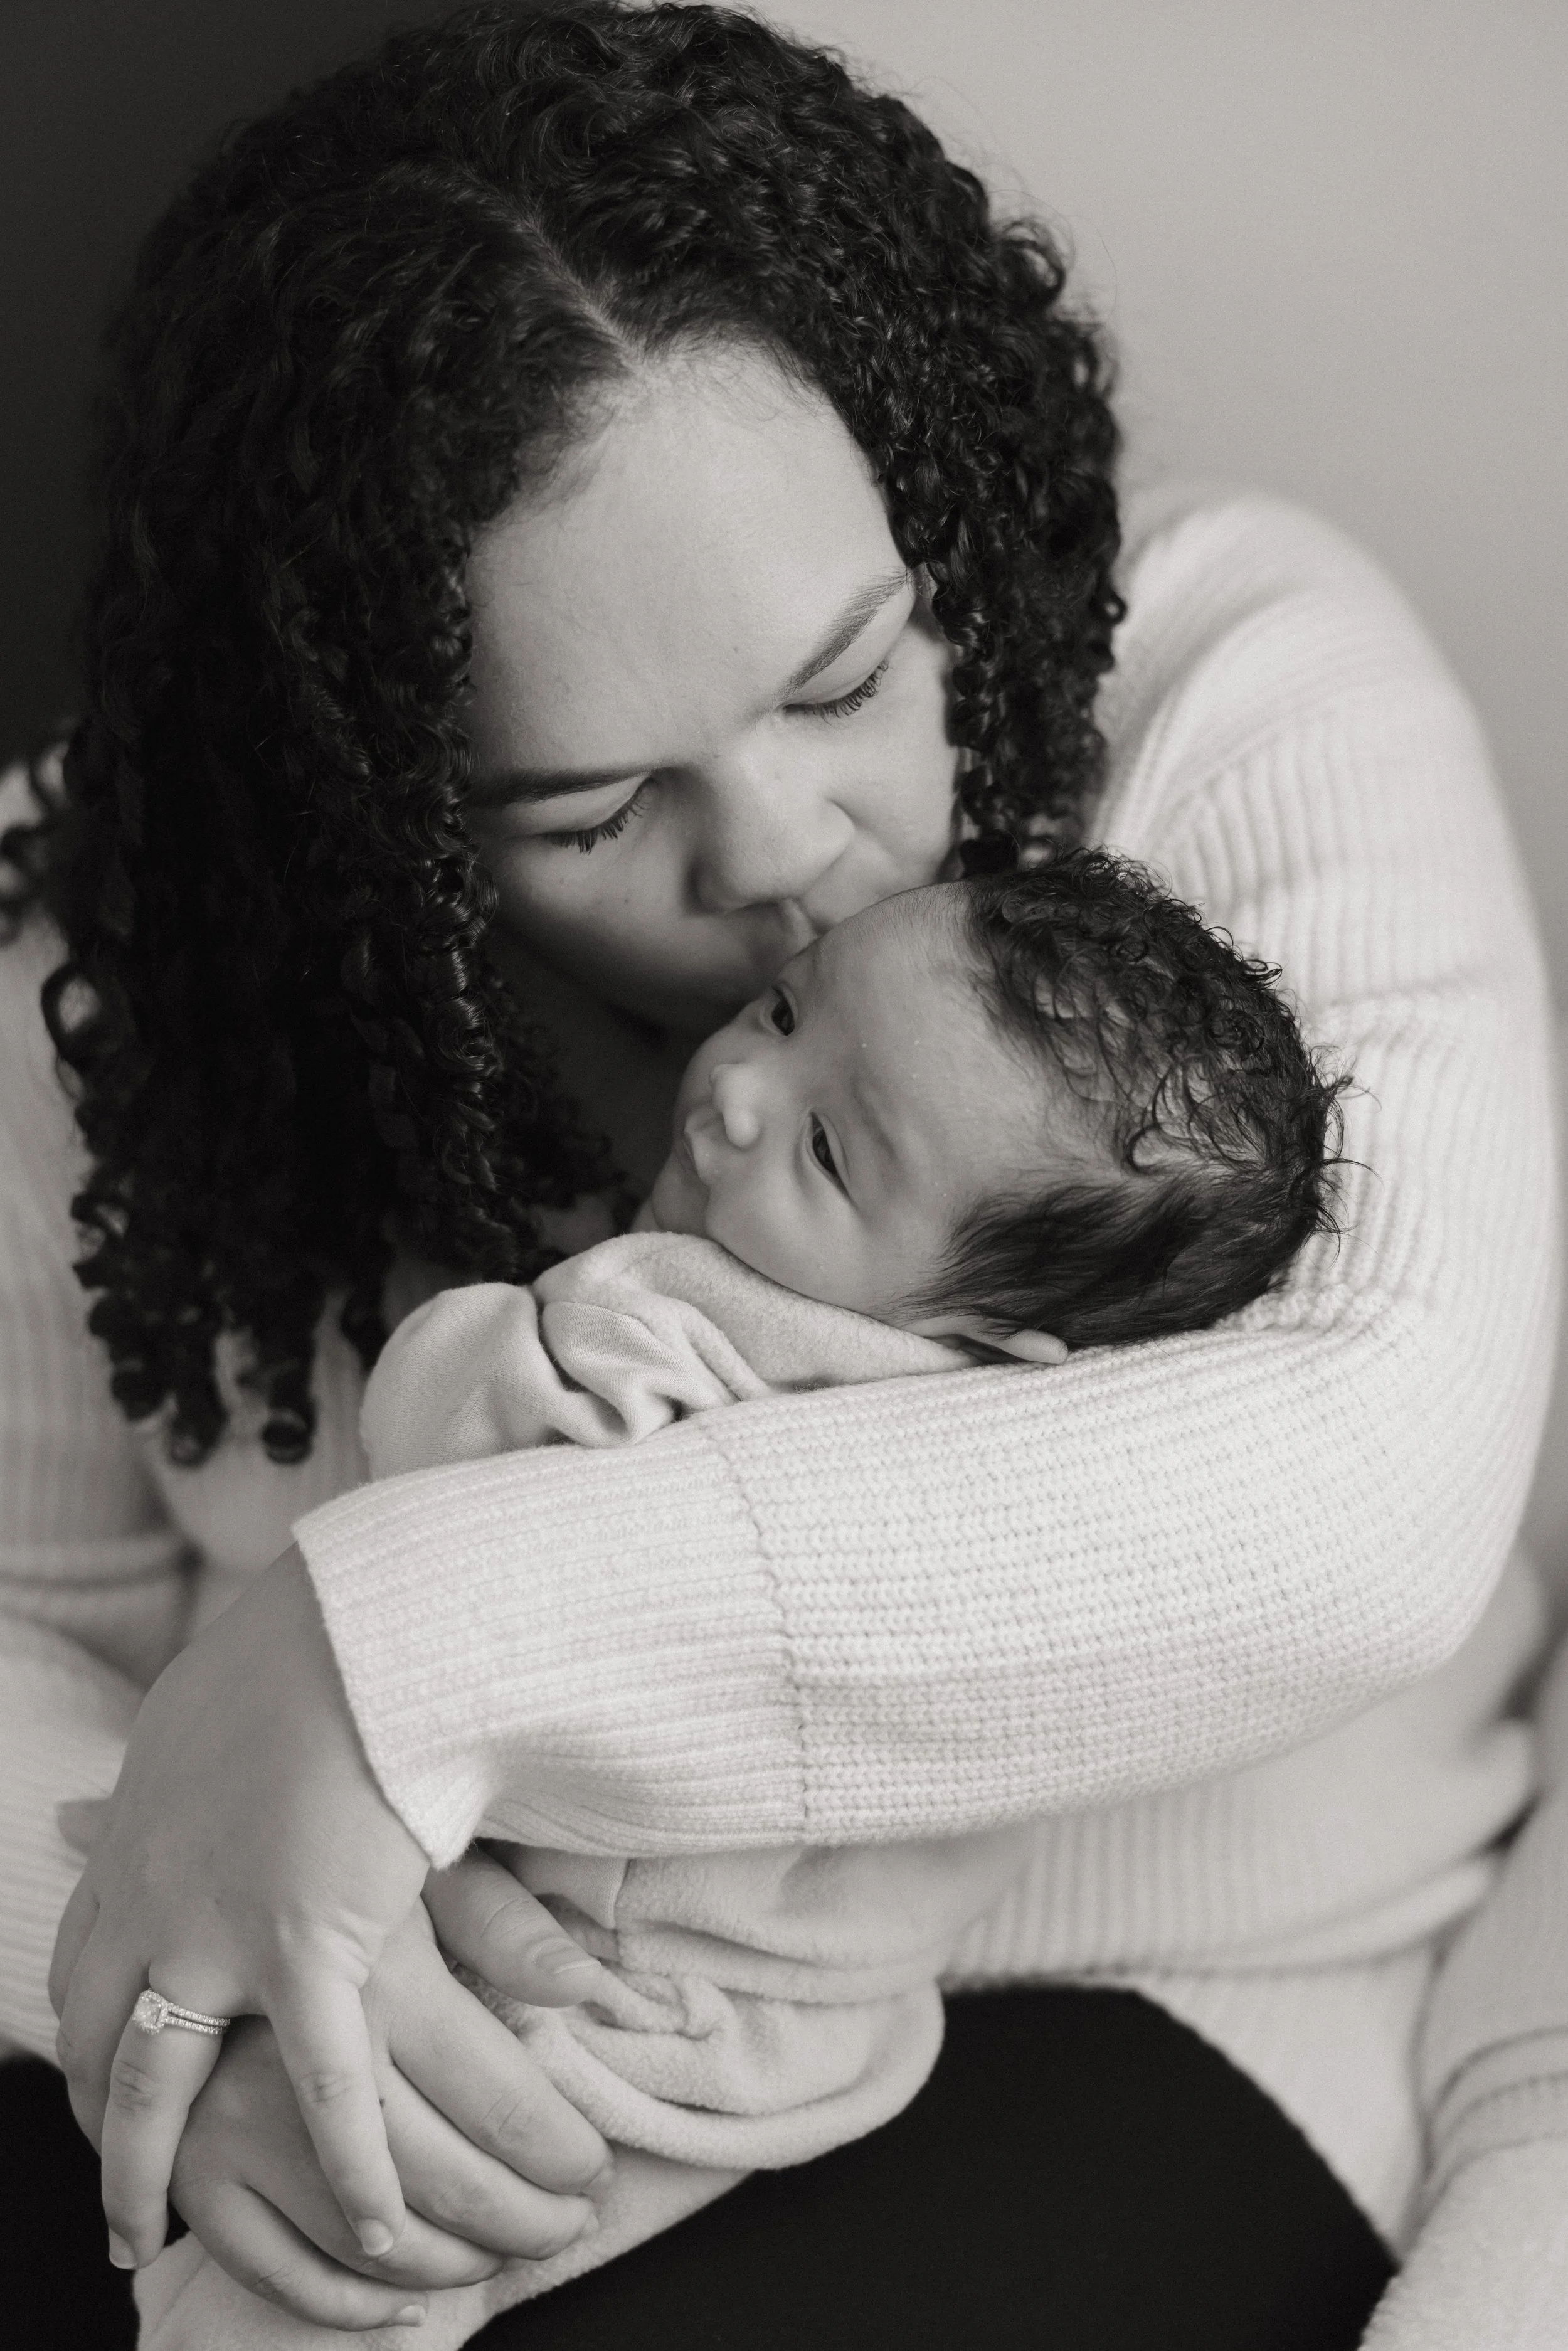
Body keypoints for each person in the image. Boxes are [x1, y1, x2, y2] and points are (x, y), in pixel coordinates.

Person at [0, 5, 1558, 2347]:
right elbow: (33, 1616)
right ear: (366, 820)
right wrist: (178, 1986)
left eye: (845, 682)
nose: (797, 862)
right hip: (392, 2008)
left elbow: (1368, 1493)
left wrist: (383, 1648)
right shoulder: (141, 958)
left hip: (1179, 1984)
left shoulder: (1231, 685)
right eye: (596, 811)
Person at [127, 854, 1348, 2345]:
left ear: (1009, 1350)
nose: (737, 1092)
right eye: (781, 1008)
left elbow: (447, 1456)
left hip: (582, 1981)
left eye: (830, 1152)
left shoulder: (677, 1313)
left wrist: (482, 1345)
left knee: (293, 2277)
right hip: (782, 2037)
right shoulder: (1025, 1455)